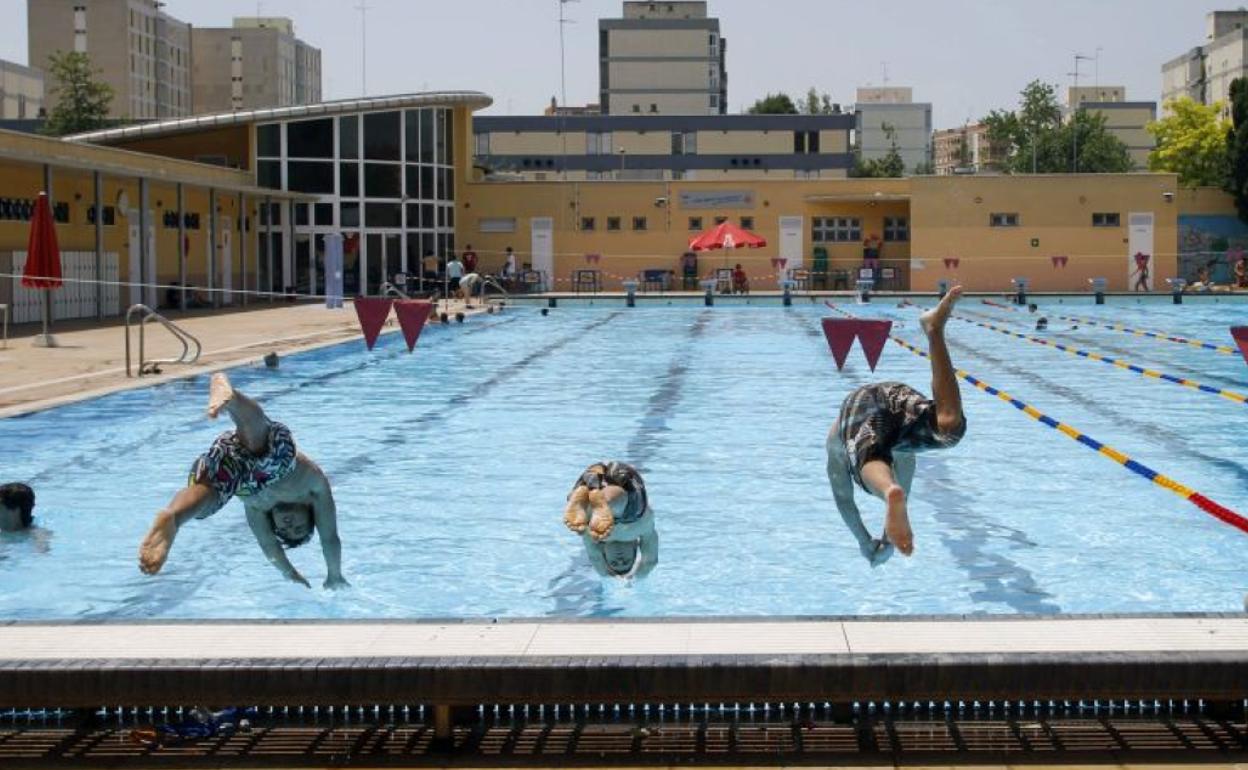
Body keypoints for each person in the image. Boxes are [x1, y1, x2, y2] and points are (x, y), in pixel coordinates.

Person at [138, 372, 347, 588]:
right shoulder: (314, 490)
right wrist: (334, 574)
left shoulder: (257, 509)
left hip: (241, 474)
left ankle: (173, 518)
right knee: (259, 445)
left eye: (284, 531)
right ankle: (231, 398)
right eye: (298, 528)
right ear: (309, 512)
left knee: (210, 495)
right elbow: (330, 537)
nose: (288, 526)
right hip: (279, 459)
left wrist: (290, 574)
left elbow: (268, 545)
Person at [826, 287, 967, 562]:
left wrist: (865, 541)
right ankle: (933, 330)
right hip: (895, 396)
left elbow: (845, 499)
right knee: (948, 430)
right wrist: (884, 539)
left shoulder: (838, 448)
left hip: (864, 402)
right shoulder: (903, 454)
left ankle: (934, 328)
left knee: (870, 460)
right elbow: (899, 503)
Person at [563, 461, 658, 579]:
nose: (620, 560)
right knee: (624, 511)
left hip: (593, 490)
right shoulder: (642, 531)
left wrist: (606, 575)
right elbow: (650, 561)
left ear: (603, 552)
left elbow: (596, 558)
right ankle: (600, 501)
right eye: (627, 561)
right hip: (627, 489)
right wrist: (636, 578)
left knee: (588, 523)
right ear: (636, 546)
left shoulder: (595, 536)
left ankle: (589, 490)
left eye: (614, 563)